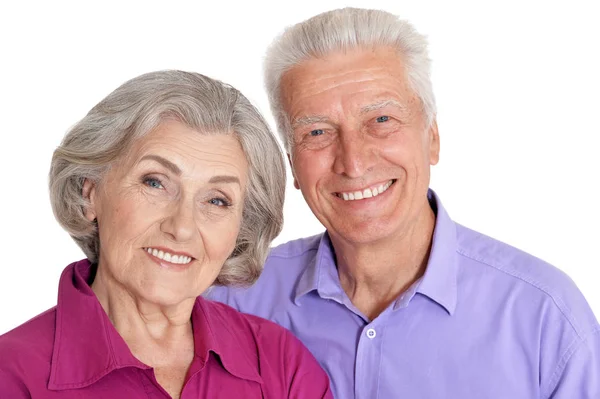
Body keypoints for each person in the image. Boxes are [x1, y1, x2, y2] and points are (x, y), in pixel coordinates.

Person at [206, 7, 600, 398]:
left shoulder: (544, 318)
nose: (354, 163)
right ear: (292, 161)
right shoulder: (229, 299)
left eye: (380, 120)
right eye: (318, 131)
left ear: (432, 137)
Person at [0, 70, 333, 399]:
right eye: (154, 182)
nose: (182, 227)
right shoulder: (13, 374)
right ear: (90, 193)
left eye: (217, 200)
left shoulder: (282, 365)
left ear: (240, 230)